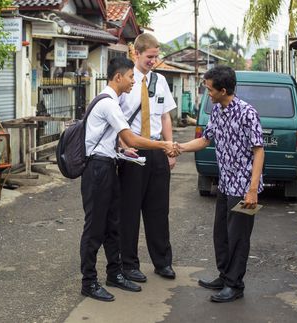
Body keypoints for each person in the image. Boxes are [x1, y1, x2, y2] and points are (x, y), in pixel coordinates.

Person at [80, 57, 177, 302]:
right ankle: (89, 282)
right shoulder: (109, 103)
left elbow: (116, 140)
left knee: (113, 225)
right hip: (98, 169)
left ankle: (115, 273)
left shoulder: (111, 100)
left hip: (110, 162)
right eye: (131, 77)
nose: (134, 80)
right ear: (118, 77)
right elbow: (131, 138)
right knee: (95, 229)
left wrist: (122, 151)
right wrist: (162, 144)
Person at [178, 65, 265, 302]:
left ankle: (235, 286)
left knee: (238, 237)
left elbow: (259, 151)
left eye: (209, 89)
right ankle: (225, 275)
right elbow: (205, 139)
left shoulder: (248, 113)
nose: (207, 93)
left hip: (245, 189)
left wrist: (253, 190)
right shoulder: (217, 111)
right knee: (222, 234)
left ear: (223, 89)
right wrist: (179, 148)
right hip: (226, 185)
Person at [118, 33, 178, 283]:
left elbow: (165, 117)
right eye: (150, 57)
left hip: (156, 150)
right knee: (129, 211)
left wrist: (170, 148)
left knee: (158, 211)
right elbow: (116, 119)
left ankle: (162, 262)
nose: (154, 61)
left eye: (156, 56)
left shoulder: (161, 81)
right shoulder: (125, 81)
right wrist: (122, 146)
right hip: (131, 151)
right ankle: (129, 264)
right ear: (137, 54)